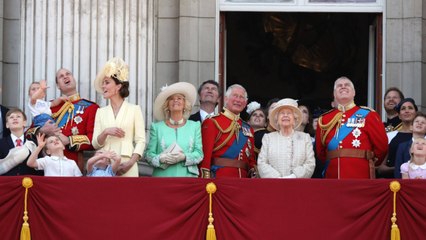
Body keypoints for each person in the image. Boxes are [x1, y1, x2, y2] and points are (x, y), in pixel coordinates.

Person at [26, 68, 99, 171]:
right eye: (61, 76)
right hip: (46, 163)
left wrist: (69, 140)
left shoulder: (91, 107)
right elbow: (28, 133)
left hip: (72, 163)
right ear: (58, 86)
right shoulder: (48, 106)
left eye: (68, 74)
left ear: (73, 79)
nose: (65, 76)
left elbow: (94, 140)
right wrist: (42, 131)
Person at [315, 76, 388, 179]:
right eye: (339, 86)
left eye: (347, 85)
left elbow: (382, 146)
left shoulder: (368, 115)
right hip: (332, 176)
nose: (343, 87)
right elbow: (321, 152)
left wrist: (369, 162)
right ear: (334, 94)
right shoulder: (324, 119)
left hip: (360, 175)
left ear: (354, 92)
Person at [92, 57, 145, 177]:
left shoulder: (134, 109)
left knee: (129, 195)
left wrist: (131, 162)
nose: (103, 86)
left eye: (107, 82)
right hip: (104, 164)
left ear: (118, 86)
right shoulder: (100, 112)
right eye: (103, 83)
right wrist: (106, 132)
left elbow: (141, 140)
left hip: (127, 163)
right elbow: (95, 143)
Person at [145, 82, 203, 177]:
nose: (175, 101)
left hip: (188, 178)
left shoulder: (194, 126)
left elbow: (199, 154)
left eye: (179, 98)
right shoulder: (157, 127)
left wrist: (184, 157)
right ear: (167, 105)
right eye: (171, 99)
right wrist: (160, 158)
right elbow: (148, 155)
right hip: (163, 178)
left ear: (185, 104)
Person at [199, 84, 256, 178]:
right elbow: (205, 156)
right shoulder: (212, 122)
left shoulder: (248, 128)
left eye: (241, 97)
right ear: (226, 99)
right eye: (235, 96)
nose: (238, 100)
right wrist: (205, 179)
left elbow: (251, 161)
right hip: (220, 179)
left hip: (244, 181)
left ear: (245, 103)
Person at [257, 98, 315, 178]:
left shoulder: (305, 138)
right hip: (274, 185)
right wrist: (277, 178)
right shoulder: (268, 138)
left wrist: (294, 176)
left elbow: (310, 163)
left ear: (295, 118)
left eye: (289, 113)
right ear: (277, 119)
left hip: (299, 185)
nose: (285, 115)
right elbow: (262, 163)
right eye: (282, 113)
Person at [377, 98, 417, 178]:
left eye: (410, 108)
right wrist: (400, 168)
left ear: (415, 113)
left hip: (416, 183)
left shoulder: (423, 137)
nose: (407, 111)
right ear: (399, 115)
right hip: (392, 183)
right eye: (403, 108)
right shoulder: (390, 136)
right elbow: (381, 168)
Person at [0, 108, 42, 176]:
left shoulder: (34, 143)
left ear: (24, 123)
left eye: (18, 117)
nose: (15, 119)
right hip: (7, 184)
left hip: (30, 184)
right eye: (11, 117)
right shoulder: (1, 143)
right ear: (7, 125)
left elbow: (40, 168)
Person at [394, 112, 426, 178]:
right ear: (411, 127)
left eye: (423, 122)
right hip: (406, 185)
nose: (419, 123)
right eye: (417, 121)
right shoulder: (402, 146)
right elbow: (397, 170)